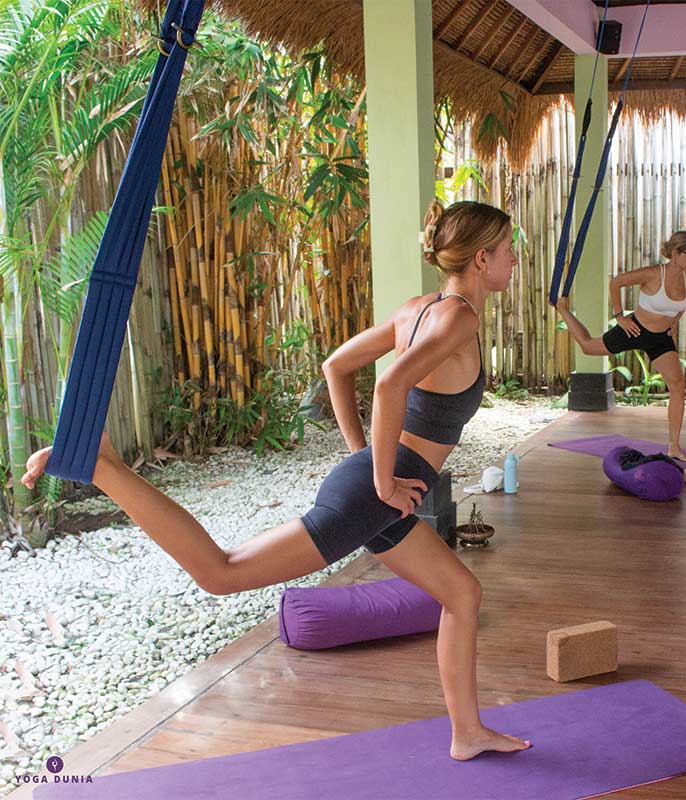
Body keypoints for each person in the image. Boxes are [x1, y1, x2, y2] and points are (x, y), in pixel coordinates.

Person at [22, 199, 530, 762]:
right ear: (482, 258)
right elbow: (388, 389)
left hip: (379, 492)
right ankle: (103, 469)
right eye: (509, 250)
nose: (514, 260)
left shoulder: (419, 308)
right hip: (380, 493)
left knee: (463, 593)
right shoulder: (459, 317)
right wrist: (381, 483)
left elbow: (336, 367)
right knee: (222, 572)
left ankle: (467, 733)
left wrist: (366, 464)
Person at [556, 231, 686, 462]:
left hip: (660, 338)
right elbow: (617, 282)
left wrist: (673, 322)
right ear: (675, 253)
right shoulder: (654, 273)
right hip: (634, 329)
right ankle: (562, 309)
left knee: (678, 385)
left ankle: (674, 446)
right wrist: (619, 316)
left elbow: (682, 305)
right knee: (588, 347)